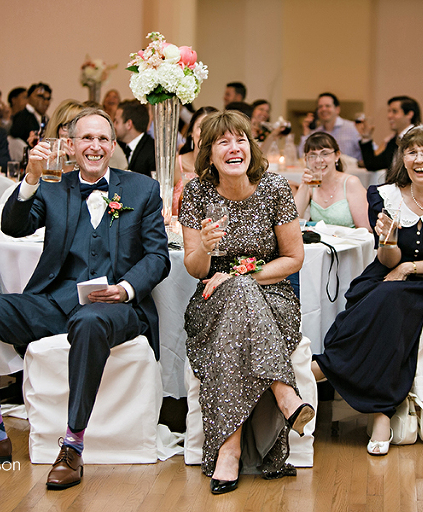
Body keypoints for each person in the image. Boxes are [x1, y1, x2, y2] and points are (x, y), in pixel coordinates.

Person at [0, 107, 171, 491]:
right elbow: (13, 226)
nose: (95, 146)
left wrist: (124, 290)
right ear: (71, 145)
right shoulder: (55, 186)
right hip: (54, 303)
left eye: (103, 139)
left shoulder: (141, 189)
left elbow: (157, 257)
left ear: (112, 146)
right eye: (86, 138)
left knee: (89, 321)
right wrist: (30, 178)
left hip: (116, 309)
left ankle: (73, 446)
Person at [312, 125, 423, 456]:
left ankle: (323, 370)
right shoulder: (385, 196)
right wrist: (388, 241)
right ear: (403, 158)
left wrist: (409, 268)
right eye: (412, 151)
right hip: (386, 275)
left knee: (388, 302)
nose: (419, 158)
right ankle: (380, 412)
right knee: (373, 304)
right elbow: (388, 260)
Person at [179, 110, 314, 494]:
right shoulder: (196, 193)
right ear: (209, 153)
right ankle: (285, 394)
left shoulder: (273, 188)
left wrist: (240, 276)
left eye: (240, 139)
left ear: (251, 147)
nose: (234, 147)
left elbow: (293, 259)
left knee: (239, 290)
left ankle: (229, 451)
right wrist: (204, 248)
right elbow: (194, 268)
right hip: (211, 299)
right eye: (223, 141)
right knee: (234, 295)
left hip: (273, 299)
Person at [293, 132, 370, 231]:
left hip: (349, 243)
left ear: (337, 156)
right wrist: (304, 185)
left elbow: (365, 229)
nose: (318, 160)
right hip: (322, 244)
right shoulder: (311, 186)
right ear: (306, 160)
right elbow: (292, 219)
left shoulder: (351, 182)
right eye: (312, 156)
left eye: (325, 154)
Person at [172, 105, 217, 216]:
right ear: (191, 132)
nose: (206, 132)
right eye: (201, 126)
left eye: (211, 126)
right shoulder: (177, 164)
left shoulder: (225, 167)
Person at [358, 96, 421, 172]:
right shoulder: (394, 140)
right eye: (389, 111)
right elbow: (373, 164)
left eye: (394, 111)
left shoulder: (418, 138)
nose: (389, 116)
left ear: (409, 114)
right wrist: (366, 137)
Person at [299, 92, 362, 162]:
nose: (323, 109)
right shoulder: (317, 133)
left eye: (327, 106)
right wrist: (306, 132)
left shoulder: (352, 128)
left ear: (337, 109)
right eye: (320, 107)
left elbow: (371, 151)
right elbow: (303, 156)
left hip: (351, 172)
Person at [114, 100, 155, 177]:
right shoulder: (119, 146)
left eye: (117, 122)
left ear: (129, 124)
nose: (114, 125)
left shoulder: (152, 151)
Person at [43, 99, 84, 173]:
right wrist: (53, 163)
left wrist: (74, 160)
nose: (71, 132)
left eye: (76, 126)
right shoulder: (43, 156)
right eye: (66, 125)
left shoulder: (91, 161)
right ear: (57, 128)